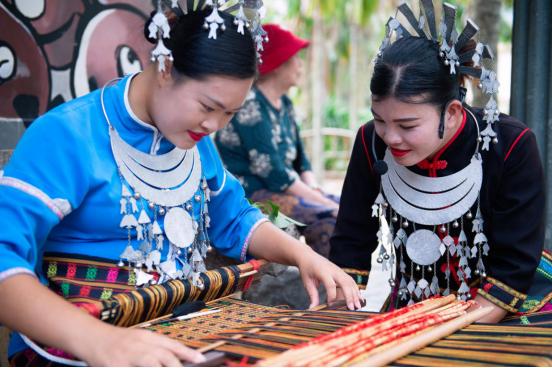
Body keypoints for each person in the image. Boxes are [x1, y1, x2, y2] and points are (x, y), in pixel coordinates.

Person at [0, 5, 361, 366]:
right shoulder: (67, 135)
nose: (214, 125)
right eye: (208, 105)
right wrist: (100, 340)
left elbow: (234, 218)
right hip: (80, 347)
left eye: (229, 113)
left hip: (180, 332)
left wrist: (304, 256)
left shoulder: (192, 139)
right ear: (166, 68)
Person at [330, 1, 550, 323]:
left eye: (407, 126)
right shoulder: (369, 141)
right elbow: (351, 241)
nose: (390, 137)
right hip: (416, 305)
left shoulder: (512, 144)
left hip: (507, 302)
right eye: (379, 120)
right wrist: (338, 315)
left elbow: (513, 266)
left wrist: (448, 327)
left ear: (452, 112)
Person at [215, 24, 338, 258]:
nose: (300, 66)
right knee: (330, 217)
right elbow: (276, 175)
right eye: (295, 59)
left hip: (284, 189)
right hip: (253, 194)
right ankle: (335, 291)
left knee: (349, 209)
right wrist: (326, 204)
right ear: (278, 63)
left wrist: (317, 191)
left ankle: (350, 286)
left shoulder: (286, 104)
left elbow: (302, 161)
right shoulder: (250, 105)